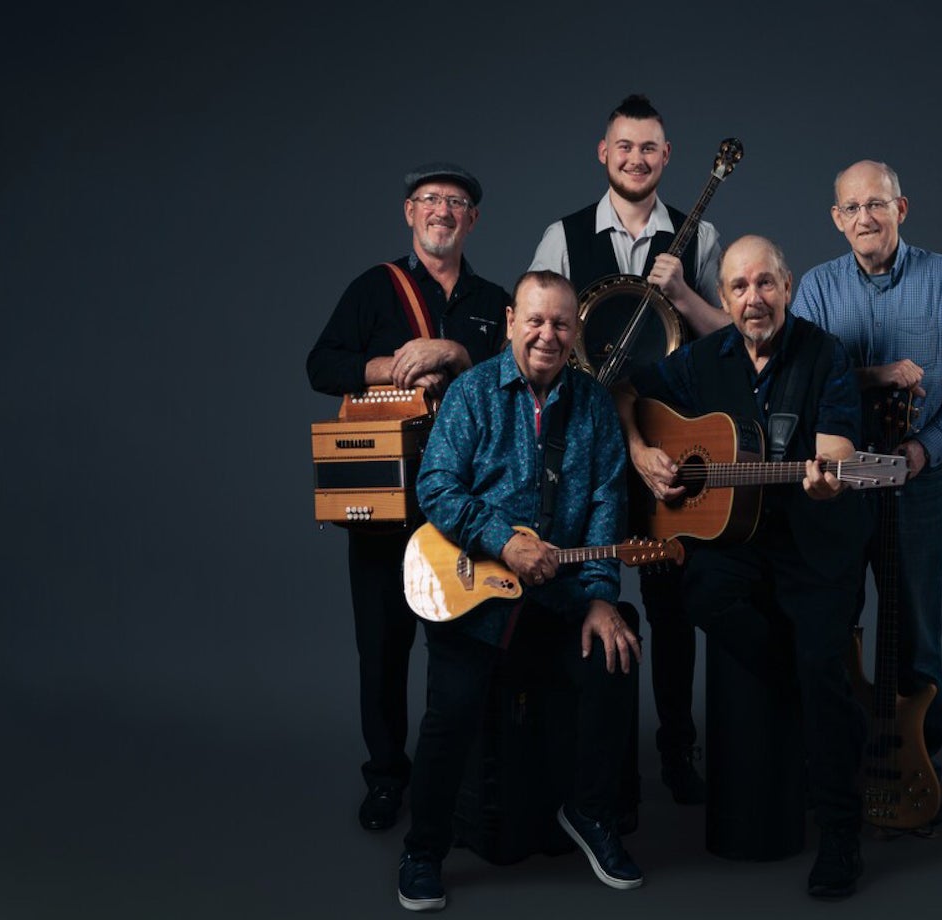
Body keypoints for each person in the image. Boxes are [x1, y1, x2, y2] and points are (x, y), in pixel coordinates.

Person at [615, 235, 869, 899]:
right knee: (697, 590)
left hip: (815, 546)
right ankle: (797, 688)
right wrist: (642, 449)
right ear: (722, 298)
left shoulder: (825, 355)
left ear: (786, 286)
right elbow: (624, 386)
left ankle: (841, 837)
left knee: (824, 670)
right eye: (738, 288)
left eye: (765, 284)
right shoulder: (705, 357)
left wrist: (827, 477)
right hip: (741, 542)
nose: (753, 299)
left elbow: (838, 451)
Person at [397, 270, 644, 911]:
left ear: (576, 332)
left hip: (558, 597)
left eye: (561, 324)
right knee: (449, 716)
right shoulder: (473, 393)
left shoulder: (592, 404)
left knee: (617, 650)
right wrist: (502, 540)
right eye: (534, 320)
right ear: (510, 321)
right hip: (473, 592)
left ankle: (590, 813)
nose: (547, 335)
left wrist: (598, 596)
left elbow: (604, 505)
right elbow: (437, 487)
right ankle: (423, 851)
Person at [529, 93, 727, 803]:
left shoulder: (697, 239)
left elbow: (730, 346)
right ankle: (591, 771)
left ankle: (678, 752)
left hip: (673, 450)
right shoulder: (563, 236)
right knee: (582, 595)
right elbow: (534, 339)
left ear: (666, 158)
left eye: (649, 148)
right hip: (589, 456)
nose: (636, 158)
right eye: (624, 146)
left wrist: (689, 296)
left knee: (674, 610)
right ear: (603, 153)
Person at [306, 162, 508, 832]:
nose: (442, 210)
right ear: (409, 212)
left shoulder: (493, 299)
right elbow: (320, 365)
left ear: (472, 219)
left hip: (467, 502)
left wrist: (453, 350)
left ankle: (457, 777)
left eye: (456, 202)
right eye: (430, 200)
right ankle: (388, 777)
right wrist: (384, 365)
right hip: (386, 504)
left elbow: (516, 386)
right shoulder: (373, 289)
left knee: (462, 643)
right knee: (384, 647)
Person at [790, 160, 942, 824]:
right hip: (842, 487)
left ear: (902, 209)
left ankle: (913, 772)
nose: (864, 218)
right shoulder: (816, 288)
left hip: (920, 484)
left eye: (877, 204)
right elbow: (807, 384)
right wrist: (881, 376)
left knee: (916, 633)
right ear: (836, 219)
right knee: (836, 628)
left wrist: (921, 450)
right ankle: (841, 770)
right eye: (851, 208)